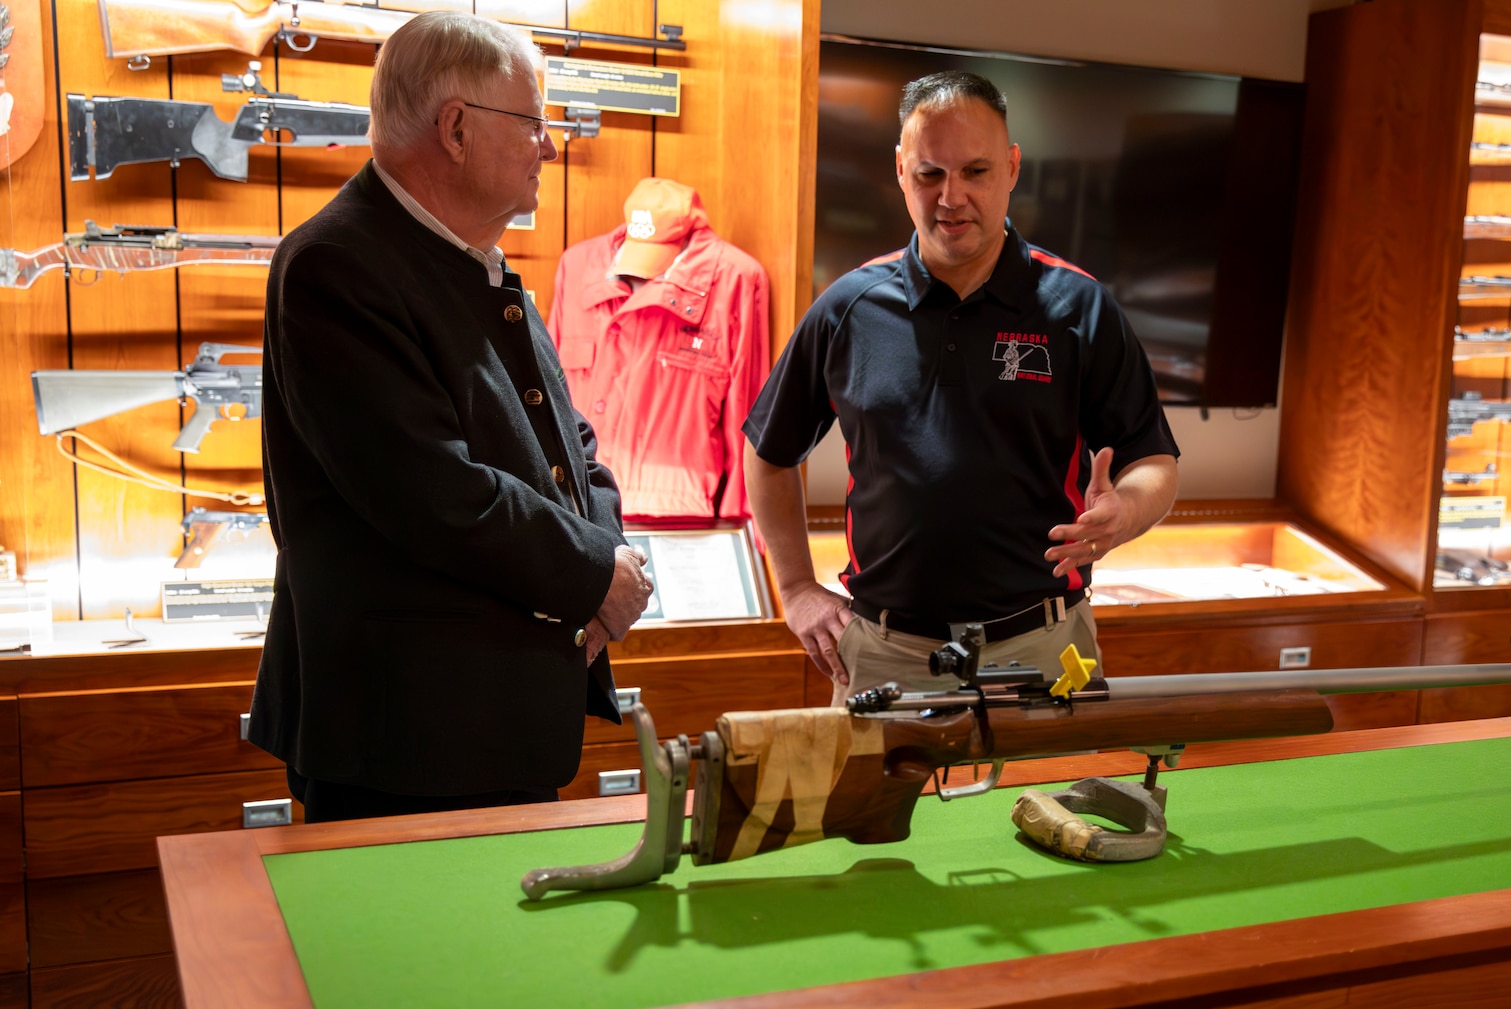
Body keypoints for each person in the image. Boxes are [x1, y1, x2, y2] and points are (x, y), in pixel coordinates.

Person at [248, 11, 652, 822]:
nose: (550, 144)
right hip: (406, 740)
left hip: (486, 723)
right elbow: (433, 493)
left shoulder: (471, 260)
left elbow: (570, 446)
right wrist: (594, 575)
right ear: (457, 129)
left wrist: (608, 556)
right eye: (534, 121)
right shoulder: (338, 264)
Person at [744, 70, 1180, 703]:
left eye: (975, 172)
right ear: (900, 171)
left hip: (1044, 648)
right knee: (862, 809)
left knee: (1050, 807)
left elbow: (1152, 461)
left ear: (1011, 168)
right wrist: (796, 589)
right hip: (881, 653)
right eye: (930, 174)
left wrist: (1126, 514)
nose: (952, 197)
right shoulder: (849, 307)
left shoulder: (1078, 308)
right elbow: (769, 451)